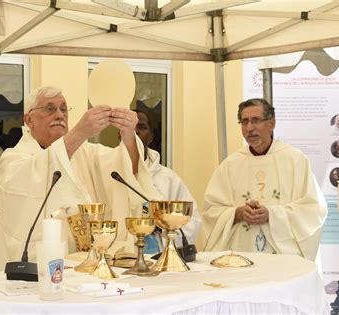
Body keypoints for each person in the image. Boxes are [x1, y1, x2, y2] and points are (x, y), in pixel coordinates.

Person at [0, 86, 157, 271]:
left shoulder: (85, 152)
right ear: (28, 119)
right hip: (41, 273)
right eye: (49, 109)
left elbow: (127, 170)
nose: (59, 115)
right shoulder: (14, 159)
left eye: (63, 109)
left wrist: (128, 133)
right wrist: (80, 132)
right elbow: (38, 176)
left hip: (91, 267)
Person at [200, 98, 327, 261]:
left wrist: (272, 214)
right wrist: (237, 213)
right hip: (240, 254)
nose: (249, 128)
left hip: (283, 258)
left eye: (256, 120)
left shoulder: (295, 160)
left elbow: (313, 209)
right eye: (244, 122)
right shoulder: (230, 165)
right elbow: (211, 210)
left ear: (272, 123)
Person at [133, 110, 201, 247]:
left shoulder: (168, 179)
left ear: (150, 137)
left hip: (160, 257)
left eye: (141, 127)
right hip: (121, 259)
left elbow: (191, 219)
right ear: (120, 134)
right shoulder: (109, 175)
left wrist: (165, 228)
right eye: (130, 128)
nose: (135, 132)